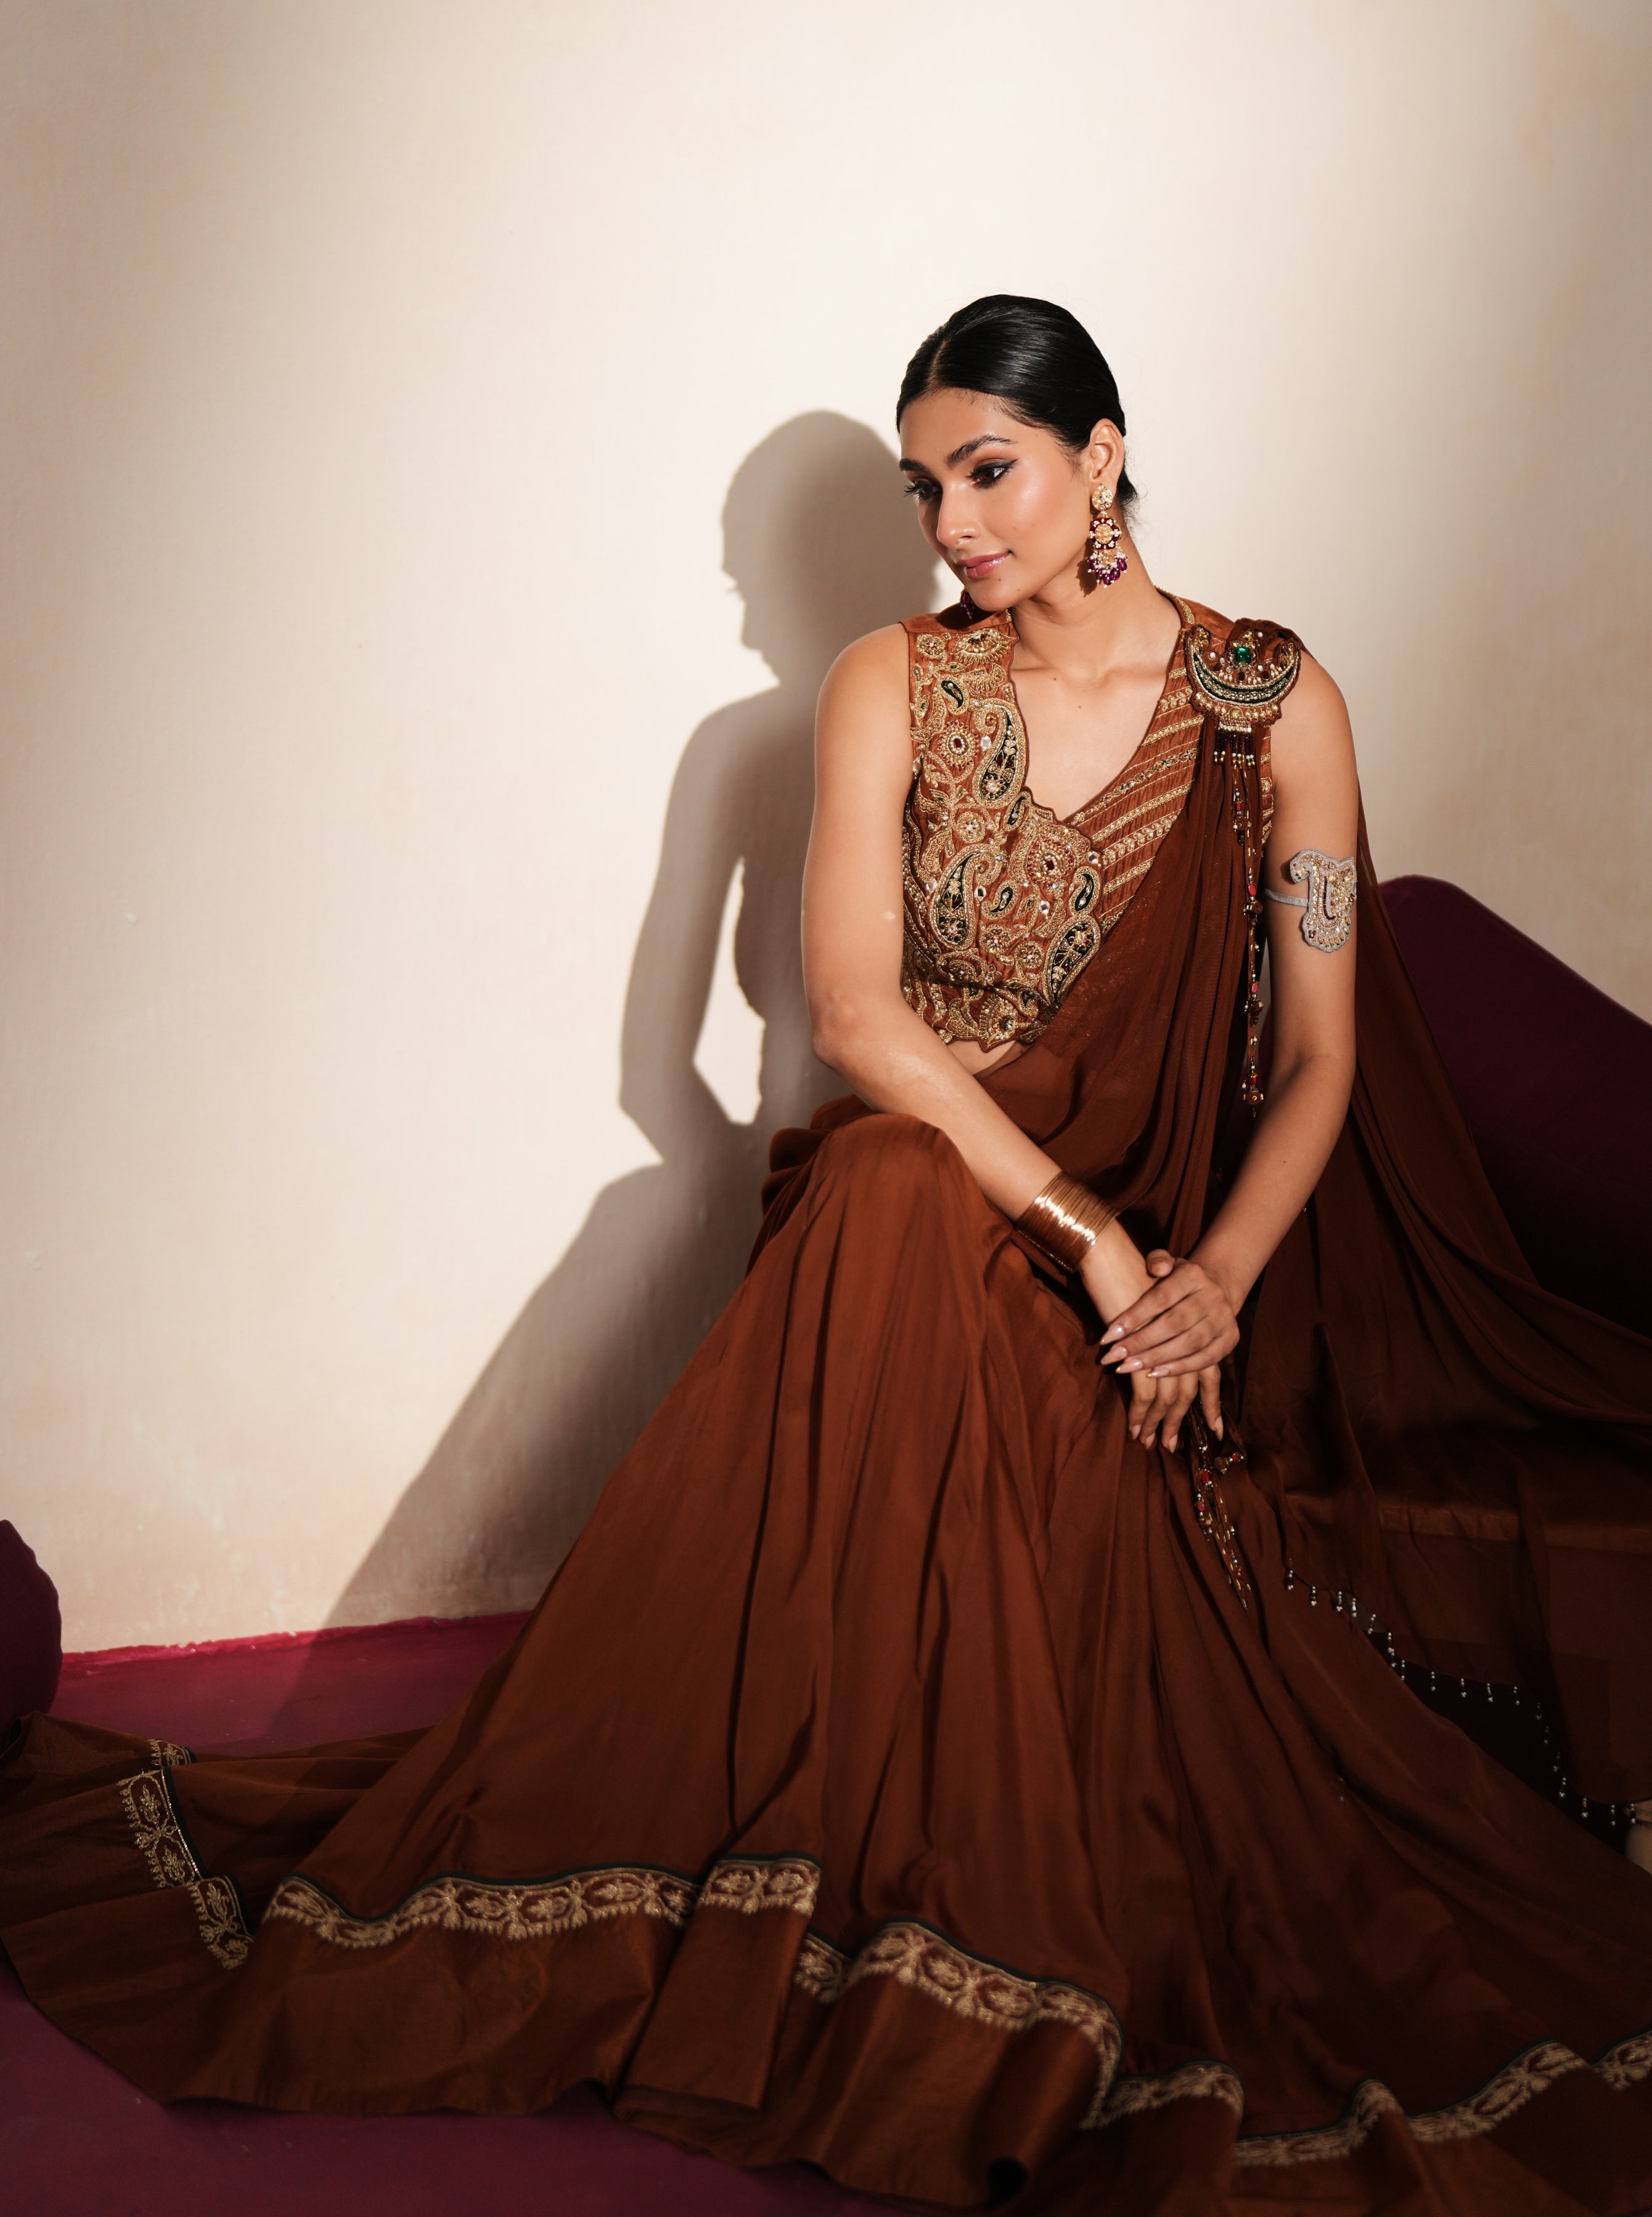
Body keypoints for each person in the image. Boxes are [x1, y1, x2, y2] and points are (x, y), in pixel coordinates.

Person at [4, 295, 1651, 2215]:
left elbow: (1325, 1050)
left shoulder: (1276, 702)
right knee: (875, 1195)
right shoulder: (891, 685)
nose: (955, 521)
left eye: (992, 469)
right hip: (954, 1196)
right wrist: (1095, 1243)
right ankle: (870, 1905)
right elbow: (861, 1020)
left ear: (1103, 453)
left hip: (1200, 1261)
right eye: (926, 483)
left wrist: (1206, 1279)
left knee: (925, 1244)